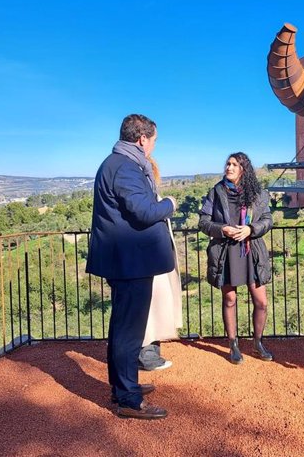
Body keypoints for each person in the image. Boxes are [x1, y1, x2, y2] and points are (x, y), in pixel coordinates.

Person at [86, 114, 177, 420]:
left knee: (122, 327)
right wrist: (170, 205)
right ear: (142, 139)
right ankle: (128, 398)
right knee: (129, 332)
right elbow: (144, 210)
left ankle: (122, 386)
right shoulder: (126, 167)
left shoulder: (116, 163)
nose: (153, 146)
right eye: (153, 140)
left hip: (126, 261)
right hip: (131, 263)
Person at [198, 152, 273, 364]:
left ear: (243, 169)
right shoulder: (217, 191)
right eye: (227, 164)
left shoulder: (258, 193)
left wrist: (251, 229)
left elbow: (267, 219)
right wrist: (224, 229)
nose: (229, 167)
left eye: (234, 165)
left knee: (261, 302)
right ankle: (233, 345)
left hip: (252, 252)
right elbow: (203, 222)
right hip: (226, 252)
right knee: (230, 299)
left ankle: (258, 343)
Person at [138, 157, 183, 372]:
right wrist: (170, 204)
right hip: (151, 259)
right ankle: (147, 354)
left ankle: (150, 352)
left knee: (155, 304)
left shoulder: (146, 193)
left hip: (155, 257)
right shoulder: (147, 196)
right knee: (152, 305)